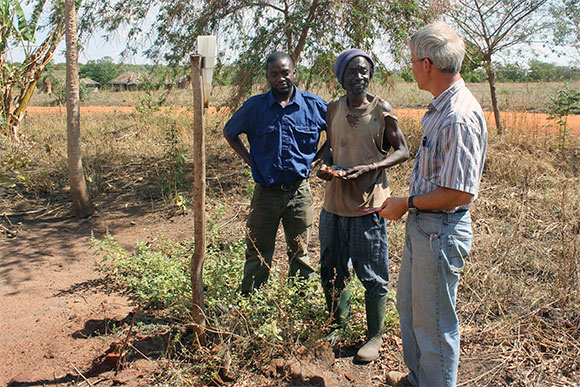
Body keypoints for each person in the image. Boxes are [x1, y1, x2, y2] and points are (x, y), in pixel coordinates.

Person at [379, 21, 488, 387]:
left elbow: (459, 193)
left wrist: (405, 202)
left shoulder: (458, 116)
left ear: (426, 64)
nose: (410, 68)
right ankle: (419, 377)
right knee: (412, 311)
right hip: (424, 228)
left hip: (439, 231)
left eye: (412, 61)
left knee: (435, 321)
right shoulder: (442, 108)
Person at [317, 49, 409, 363]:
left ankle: (375, 335)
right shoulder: (333, 109)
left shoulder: (381, 109)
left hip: (369, 204)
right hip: (334, 204)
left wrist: (371, 168)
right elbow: (329, 147)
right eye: (352, 72)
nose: (359, 77)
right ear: (341, 77)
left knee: (372, 273)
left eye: (364, 71)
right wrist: (324, 164)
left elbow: (403, 150)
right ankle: (338, 324)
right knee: (332, 268)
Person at [223, 51, 328, 295]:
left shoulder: (313, 105)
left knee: (300, 252)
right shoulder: (255, 107)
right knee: (258, 251)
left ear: (293, 72)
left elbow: (337, 129)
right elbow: (230, 132)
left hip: (299, 193)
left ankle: (298, 300)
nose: (280, 78)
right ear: (268, 77)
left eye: (284, 72)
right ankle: (251, 300)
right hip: (265, 195)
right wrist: (250, 161)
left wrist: (322, 156)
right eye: (274, 74)